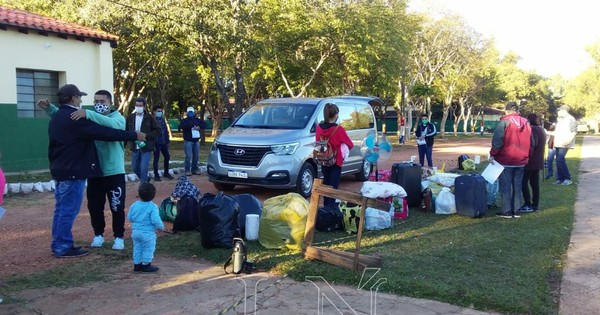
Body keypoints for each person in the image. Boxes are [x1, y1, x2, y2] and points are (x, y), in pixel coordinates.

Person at [47, 84, 144, 257]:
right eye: (81, 97)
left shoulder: (62, 116)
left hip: (73, 170)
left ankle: (116, 237)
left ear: (110, 102)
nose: (83, 101)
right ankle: (64, 245)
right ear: (74, 99)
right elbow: (105, 133)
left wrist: (51, 109)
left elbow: (112, 128)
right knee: (73, 210)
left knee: (63, 209)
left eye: (102, 101)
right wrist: (133, 135)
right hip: (77, 172)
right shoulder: (78, 117)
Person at [489, 101, 531, 219]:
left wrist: (493, 154)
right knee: (517, 186)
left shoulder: (504, 122)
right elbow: (531, 141)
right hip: (521, 160)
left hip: (505, 159)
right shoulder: (526, 122)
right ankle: (516, 210)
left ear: (506, 110)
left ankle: (506, 211)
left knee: (505, 186)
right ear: (517, 110)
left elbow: (498, 140)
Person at [315, 103, 354, 207]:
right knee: (333, 186)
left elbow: (318, 142)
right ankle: (331, 210)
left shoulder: (319, 128)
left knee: (326, 184)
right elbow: (350, 144)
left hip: (323, 159)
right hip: (335, 161)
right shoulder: (338, 130)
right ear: (336, 115)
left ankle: (326, 206)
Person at [127, 182, 164, 273]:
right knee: (148, 248)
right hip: (148, 233)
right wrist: (161, 227)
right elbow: (155, 220)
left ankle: (137, 265)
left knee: (137, 248)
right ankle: (146, 265)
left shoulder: (134, 205)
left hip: (135, 232)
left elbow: (129, 217)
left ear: (139, 194)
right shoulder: (152, 206)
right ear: (153, 195)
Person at [126, 97, 161, 182]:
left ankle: (142, 190)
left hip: (146, 147)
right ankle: (145, 179)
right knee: (135, 168)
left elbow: (158, 130)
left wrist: (146, 135)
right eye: (137, 105)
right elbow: (126, 131)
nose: (138, 107)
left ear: (144, 106)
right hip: (135, 146)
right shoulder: (130, 117)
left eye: (140, 105)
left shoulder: (150, 118)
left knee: (144, 168)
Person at [520, 113, 546, 213]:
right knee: (534, 184)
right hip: (538, 161)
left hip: (531, 161)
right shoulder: (541, 129)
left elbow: (532, 145)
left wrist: (526, 156)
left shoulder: (533, 130)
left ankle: (527, 203)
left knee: (523, 182)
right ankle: (535, 205)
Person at [551, 105, 577, 185]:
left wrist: (568, 141)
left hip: (564, 143)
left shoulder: (571, 119)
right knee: (558, 161)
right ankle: (560, 178)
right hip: (559, 143)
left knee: (560, 160)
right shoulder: (561, 120)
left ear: (564, 111)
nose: (558, 112)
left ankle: (567, 178)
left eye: (559, 110)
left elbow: (574, 131)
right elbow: (558, 132)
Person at [179, 106, 206, 176]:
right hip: (188, 140)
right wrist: (191, 126)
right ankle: (187, 169)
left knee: (196, 156)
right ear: (187, 113)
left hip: (196, 140)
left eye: (192, 112)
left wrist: (199, 127)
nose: (191, 113)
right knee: (188, 156)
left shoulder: (197, 120)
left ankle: (194, 168)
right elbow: (182, 126)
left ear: (194, 112)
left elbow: (204, 124)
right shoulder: (184, 120)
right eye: (189, 112)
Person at [152, 105, 174, 181]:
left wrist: (167, 140)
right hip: (156, 143)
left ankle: (166, 172)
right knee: (156, 159)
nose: (160, 113)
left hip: (164, 142)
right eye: (158, 111)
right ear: (154, 112)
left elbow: (165, 131)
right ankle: (156, 175)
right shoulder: (152, 120)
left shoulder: (162, 119)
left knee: (167, 157)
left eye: (161, 111)